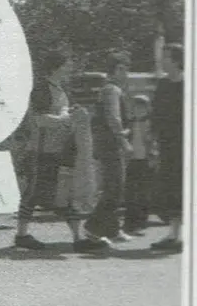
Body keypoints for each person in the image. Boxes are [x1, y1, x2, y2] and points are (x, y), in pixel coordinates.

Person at [16, 50, 109, 252]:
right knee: (33, 194)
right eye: (67, 64)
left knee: (63, 194)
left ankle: (77, 239)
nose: (70, 68)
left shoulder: (60, 90)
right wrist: (68, 119)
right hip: (41, 151)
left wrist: (71, 115)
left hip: (58, 151)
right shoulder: (42, 89)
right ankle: (22, 235)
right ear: (56, 67)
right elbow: (40, 120)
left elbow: (61, 116)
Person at [83, 50, 134, 245]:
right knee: (114, 188)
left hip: (108, 144)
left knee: (115, 187)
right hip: (111, 145)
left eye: (126, 69)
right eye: (123, 69)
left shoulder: (109, 89)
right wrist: (124, 141)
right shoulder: (112, 89)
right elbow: (114, 118)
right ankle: (92, 228)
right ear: (115, 69)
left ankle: (113, 229)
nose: (125, 73)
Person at [150, 42, 184, 253]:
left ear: (176, 60)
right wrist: (152, 139)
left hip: (186, 144)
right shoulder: (163, 84)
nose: (162, 60)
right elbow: (156, 114)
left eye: (166, 57)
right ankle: (174, 235)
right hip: (168, 145)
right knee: (172, 188)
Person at [123, 94, 156, 233]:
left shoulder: (150, 123)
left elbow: (153, 142)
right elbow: (127, 133)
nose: (139, 110)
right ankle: (130, 219)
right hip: (132, 159)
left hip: (145, 160)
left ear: (147, 109)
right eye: (136, 107)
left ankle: (141, 220)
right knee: (130, 190)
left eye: (142, 108)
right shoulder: (130, 122)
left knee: (144, 192)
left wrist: (153, 157)